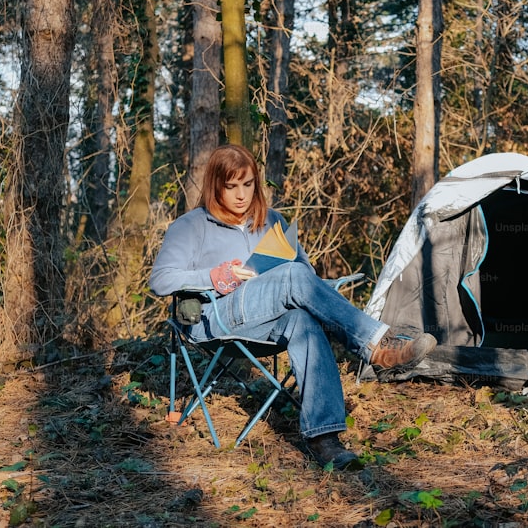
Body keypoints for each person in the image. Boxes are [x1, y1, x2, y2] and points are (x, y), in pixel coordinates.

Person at [150, 144, 436, 469]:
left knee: (302, 320)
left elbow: (303, 274)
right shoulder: (191, 225)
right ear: (216, 186)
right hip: (215, 317)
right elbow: (160, 280)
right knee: (294, 277)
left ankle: (324, 438)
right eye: (231, 186)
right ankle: (376, 346)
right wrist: (214, 275)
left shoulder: (271, 220)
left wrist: (310, 284)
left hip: (266, 319)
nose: (241, 195)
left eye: (248, 184)